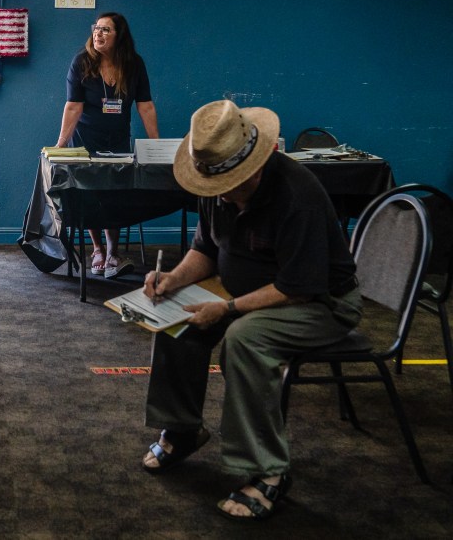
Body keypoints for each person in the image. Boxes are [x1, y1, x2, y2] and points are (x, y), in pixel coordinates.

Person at [139, 99, 361, 521]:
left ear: (255, 167)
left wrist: (227, 308)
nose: (221, 194)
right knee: (174, 319)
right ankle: (182, 430)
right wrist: (172, 280)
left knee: (245, 340)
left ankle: (267, 471)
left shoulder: (298, 195)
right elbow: (205, 250)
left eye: (231, 184)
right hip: (247, 293)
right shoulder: (215, 182)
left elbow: (298, 289)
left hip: (321, 303)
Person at [54, 12, 159, 279]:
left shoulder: (134, 64)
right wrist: (61, 145)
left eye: (105, 30)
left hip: (118, 140)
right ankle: (98, 250)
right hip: (86, 140)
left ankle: (113, 252)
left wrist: (156, 145)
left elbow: (145, 105)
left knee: (115, 194)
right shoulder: (82, 62)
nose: (98, 33)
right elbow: (73, 106)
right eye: (96, 28)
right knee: (90, 194)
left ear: (119, 36)